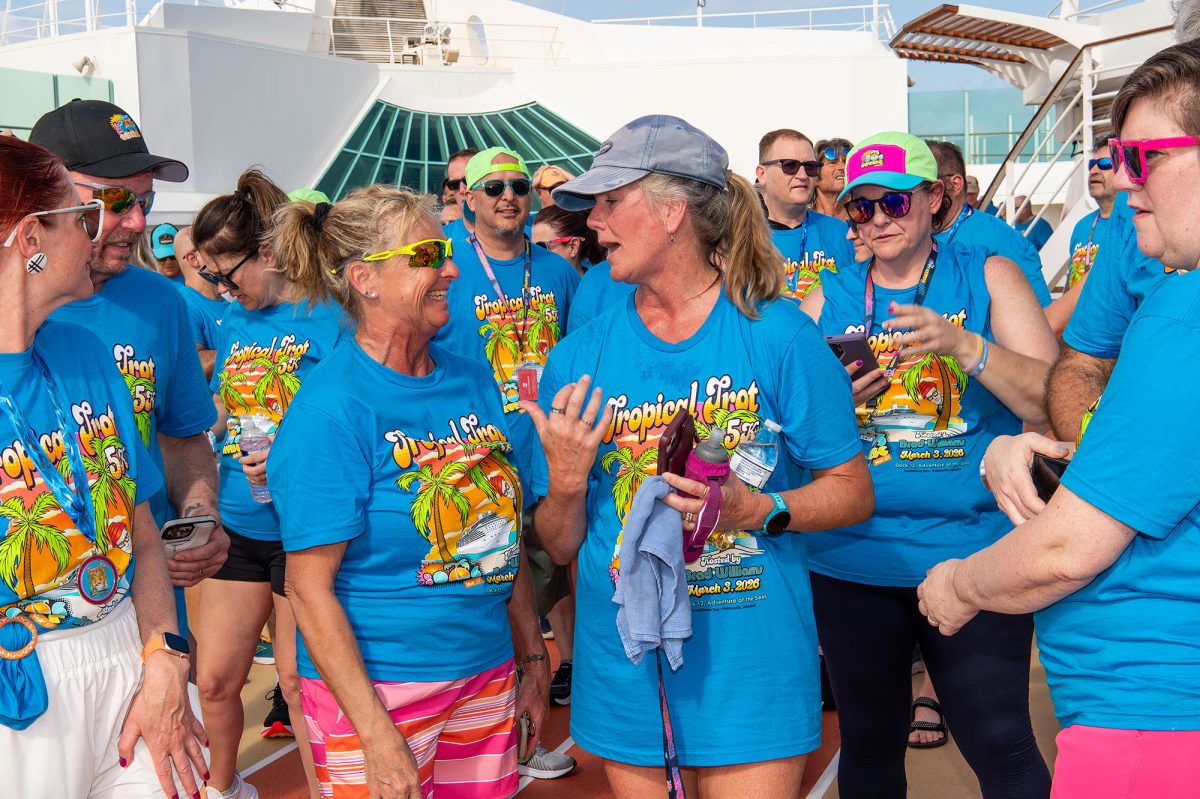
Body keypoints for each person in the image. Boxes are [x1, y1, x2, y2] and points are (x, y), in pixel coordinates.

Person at [530, 114, 873, 798]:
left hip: (750, 669)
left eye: (610, 201)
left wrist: (755, 508)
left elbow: (852, 490)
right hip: (628, 668)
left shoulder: (778, 336)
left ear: (672, 211)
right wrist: (565, 484)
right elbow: (559, 544)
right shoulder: (577, 356)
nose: (593, 222)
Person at [918, 40, 1200, 797]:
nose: (1123, 180)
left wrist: (958, 585)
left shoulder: (1183, 314)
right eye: (1119, 157)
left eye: (1145, 158)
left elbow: (1068, 548)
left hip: (1152, 713)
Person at [267, 185, 551, 799]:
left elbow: (502, 535)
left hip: (486, 675)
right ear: (365, 279)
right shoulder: (330, 408)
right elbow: (308, 589)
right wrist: (374, 734)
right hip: (380, 692)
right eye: (427, 256)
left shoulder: (473, 380)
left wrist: (532, 655)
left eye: (446, 252)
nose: (451, 269)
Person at [800, 132, 1057, 798]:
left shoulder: (988, 273)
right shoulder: (824, 296)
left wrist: (967, 346)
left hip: (973, 552)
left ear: (934, 197)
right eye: (861, 207)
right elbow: (791, 433)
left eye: (893, 202)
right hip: (853, 557)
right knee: (868, 743)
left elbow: (1050, 399)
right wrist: (832, 402)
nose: (878, 220)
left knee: (1000, 741)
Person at [0, 135, 207, 799]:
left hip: (133, 655)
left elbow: (141, 531)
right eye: (83, 216)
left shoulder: (85, 352)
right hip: (23, 688)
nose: (99, 232)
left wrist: (167, 657)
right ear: (32, 239)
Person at [31, 99, 227, 643]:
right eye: (116, 200)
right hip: (34, 631)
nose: (139, 222)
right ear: (50, 195)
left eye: (146, 200)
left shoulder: (160, 302)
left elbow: (182, 436)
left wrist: (200, 515)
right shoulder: (18, 313)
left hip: (148, 603)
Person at [191, 169, 344, 799]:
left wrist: (289, 456)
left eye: (228, 277)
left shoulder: (331, 319)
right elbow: (230, 403)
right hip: (239, 521)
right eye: (211, 279)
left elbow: (346, 420)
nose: (222, 292)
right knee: (215, 680)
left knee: (296, 681)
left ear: (268, 253)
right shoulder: (235, 321)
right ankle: (223, 789)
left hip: (302, 531)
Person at [927, 140, 1052, 308]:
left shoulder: (1005, 243)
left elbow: (1041, 318)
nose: (914, 193)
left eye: (925, 185)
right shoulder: (909, 238)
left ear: (955, 185)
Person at [756, 129, 855, 301]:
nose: (802, 176)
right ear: (762, 174)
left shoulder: (843, 233)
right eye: (790, 165)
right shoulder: (742, 239)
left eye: (810, 167)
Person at [1044, 136, 1125, 335]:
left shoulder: (1132, 224)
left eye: (1105, 164)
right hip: (1079, 332)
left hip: (1114, 335)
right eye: (1092, 165)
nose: (1094, 171)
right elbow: (1072, 280)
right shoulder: (1082, 226)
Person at [173, 225, 227, 380]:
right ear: (194, 258)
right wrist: (246, 352)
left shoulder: (229, 304)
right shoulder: (184, 305)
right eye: (217, 248)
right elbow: (192, 364)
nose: (227, 252)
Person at [530, 204, 605, 275]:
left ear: (573, 247)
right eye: (530, 247)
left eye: (541, 247)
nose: (533, 255)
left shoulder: (598, 282)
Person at [811, 137, 853, 222]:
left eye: (845, 162)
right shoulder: (801, 220)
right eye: (833, 163)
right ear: (814, 175)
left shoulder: (863, 216)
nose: (842, 167)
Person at [441, 147, 478, 235]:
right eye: (454, 184)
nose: (462, 190)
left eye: (468, 180)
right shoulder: (441, 237)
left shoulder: (510, 229)